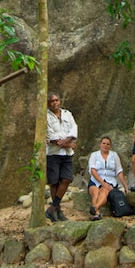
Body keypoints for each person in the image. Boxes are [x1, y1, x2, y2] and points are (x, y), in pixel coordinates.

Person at [46, 92, 77, 222]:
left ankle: (52, 208)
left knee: (67, 179)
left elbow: (73, 128)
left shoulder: (67, 114)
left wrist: (67, 141)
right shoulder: (46, 117)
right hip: (53, 153)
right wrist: (67, 144)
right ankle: (57, 211)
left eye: (56, 100)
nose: (55, 103)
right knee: (54, 182)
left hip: (67, 154)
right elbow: (50, 136)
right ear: (48, 103)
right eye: (52, 101)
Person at [87, 136, 129, 220]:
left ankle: (95, 208)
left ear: (110, 146)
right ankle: (97, 213)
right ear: (100, 144)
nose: (105, 145)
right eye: (104, 143)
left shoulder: (114, 155)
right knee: (95, 191)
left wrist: (125, 186)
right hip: (96, 180)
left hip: (110, 181)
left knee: (104, 190)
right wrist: (102, 183)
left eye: (108, 144)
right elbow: (93, 170)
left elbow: (119, 171)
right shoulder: (94, 155)